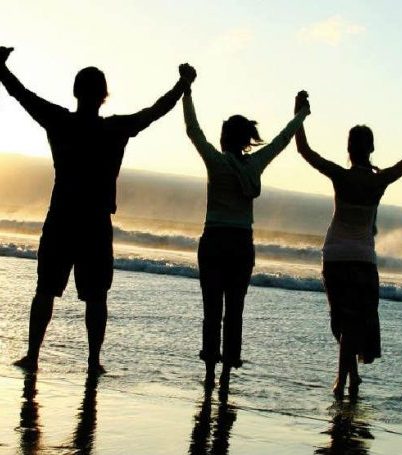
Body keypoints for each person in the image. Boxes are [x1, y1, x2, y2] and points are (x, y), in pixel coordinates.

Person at [0, 46, 196, 373]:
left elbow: (23, 95)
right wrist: (182, 84)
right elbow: (155, 111)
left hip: (62, 217)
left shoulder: (60, 121)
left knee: (46, 289)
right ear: (104, 96)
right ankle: (93, 361)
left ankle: (33, 356)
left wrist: (2, 69)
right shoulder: (114, 129)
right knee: (95, 296)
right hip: (95, 222)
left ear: (76, 92)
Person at [294, 91, 402, 400]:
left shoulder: (340, 175)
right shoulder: (379, 180)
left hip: (335, 255)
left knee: (343, 320)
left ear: (349, 149)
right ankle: (344, 380)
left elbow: (304, 150)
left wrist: (299, 114)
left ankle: (348, 379)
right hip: (362, 258)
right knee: (356, 320)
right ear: (371, 149)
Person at [182, 78, 310, 393]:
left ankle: (210, 371)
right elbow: (282, 140)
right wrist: (301, 114)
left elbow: (193, 130)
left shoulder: (215, 161)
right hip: (241, 244)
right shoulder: (254, 166)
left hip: (214, 241)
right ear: (246, 141)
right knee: (234, 310)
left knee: (212, 309)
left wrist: (187, 91)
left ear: (224, 138)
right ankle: (227, 371)